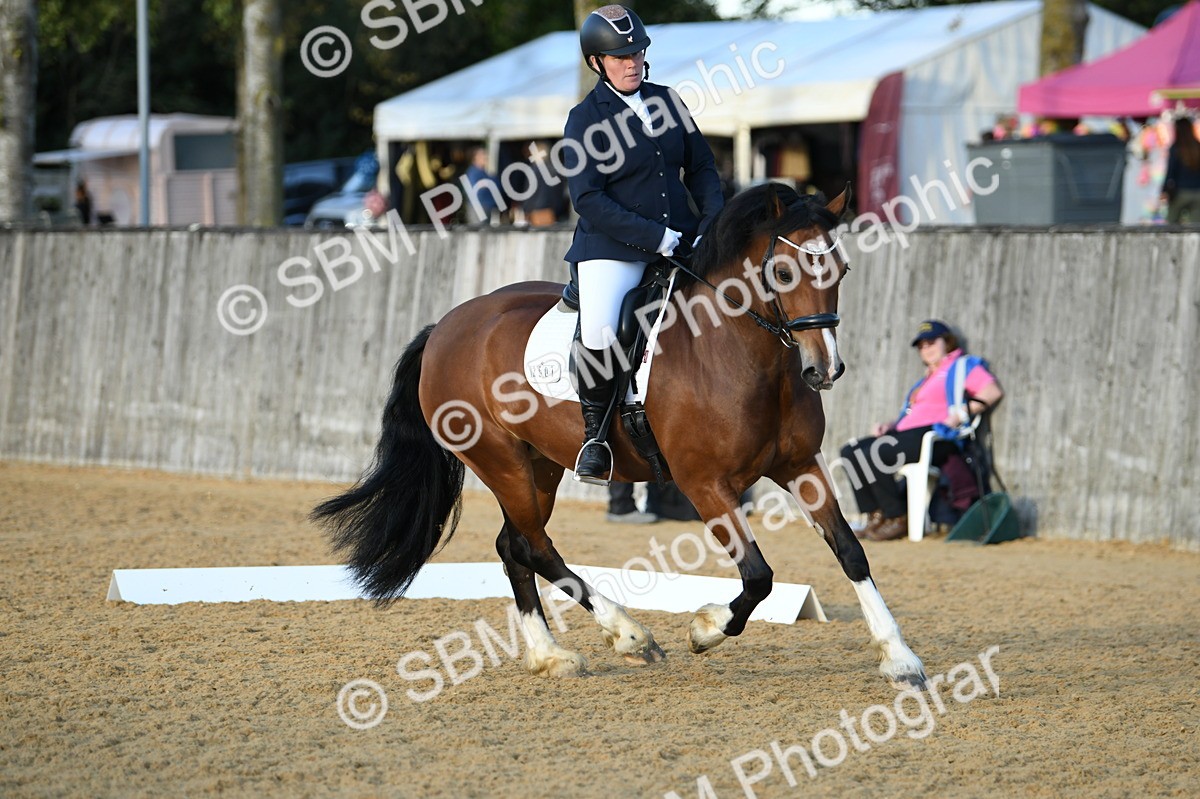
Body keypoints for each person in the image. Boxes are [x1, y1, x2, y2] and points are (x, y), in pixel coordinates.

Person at [564, 4, 724, 484]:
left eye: (637, 53)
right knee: (598, 331)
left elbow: (701, 168)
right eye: (620, 57)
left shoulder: (667, 100)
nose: (632, 62)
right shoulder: (584, 119)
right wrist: (655, 236)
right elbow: (587, 197)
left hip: (683, 240)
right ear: (597, 63)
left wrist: (710, 224)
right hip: (612, 249)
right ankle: (596, 438)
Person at [840, 320, 1004, 541]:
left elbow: (992, 392)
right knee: (850, 453)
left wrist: (962, 413)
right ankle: (875, 515)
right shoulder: (925, 379)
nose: (926, 348)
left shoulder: (962, 366)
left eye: (931, 342)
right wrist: (890, 426)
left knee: (875, 452)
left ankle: (897, 517)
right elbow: (914, 414)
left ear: (946, 342)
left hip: (937, 437)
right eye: (922, 345)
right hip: (907, 434)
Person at [1161, 117, 1200, 224]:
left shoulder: (1176, 148)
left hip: (1181, 192)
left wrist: (1164, 190)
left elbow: (1171, 172)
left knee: (1171, 224)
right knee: (1196, 228)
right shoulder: (1197, 146)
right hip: (1197, 192)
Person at [522, 141, 567, 227]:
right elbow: (560, 193)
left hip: (536, 211)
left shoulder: (533, 170)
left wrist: (526, 209)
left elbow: (529, 193)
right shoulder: (556, 170)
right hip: (552, 212)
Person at [463, 147, 499, 225]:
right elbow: (475, 192)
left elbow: (497, 187)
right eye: (482, 155)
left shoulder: (485, 173)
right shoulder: (472, 173)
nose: (486, 157)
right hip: (478, 209)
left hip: (487, 208)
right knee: (478, 233)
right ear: (475, 157)